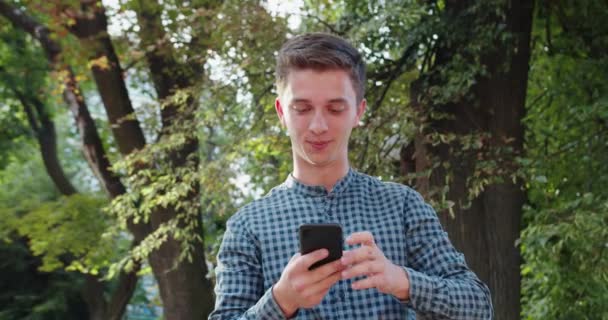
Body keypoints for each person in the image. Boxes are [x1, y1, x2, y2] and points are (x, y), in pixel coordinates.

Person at [209, 32, 493, 319]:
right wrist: (280, 300)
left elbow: (479, 306)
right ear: (282, 112)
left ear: (358, 112)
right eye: (302, 108)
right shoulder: (247, 228)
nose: (318, 125)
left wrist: (403, 281)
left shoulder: (403, 206)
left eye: (335, 108)